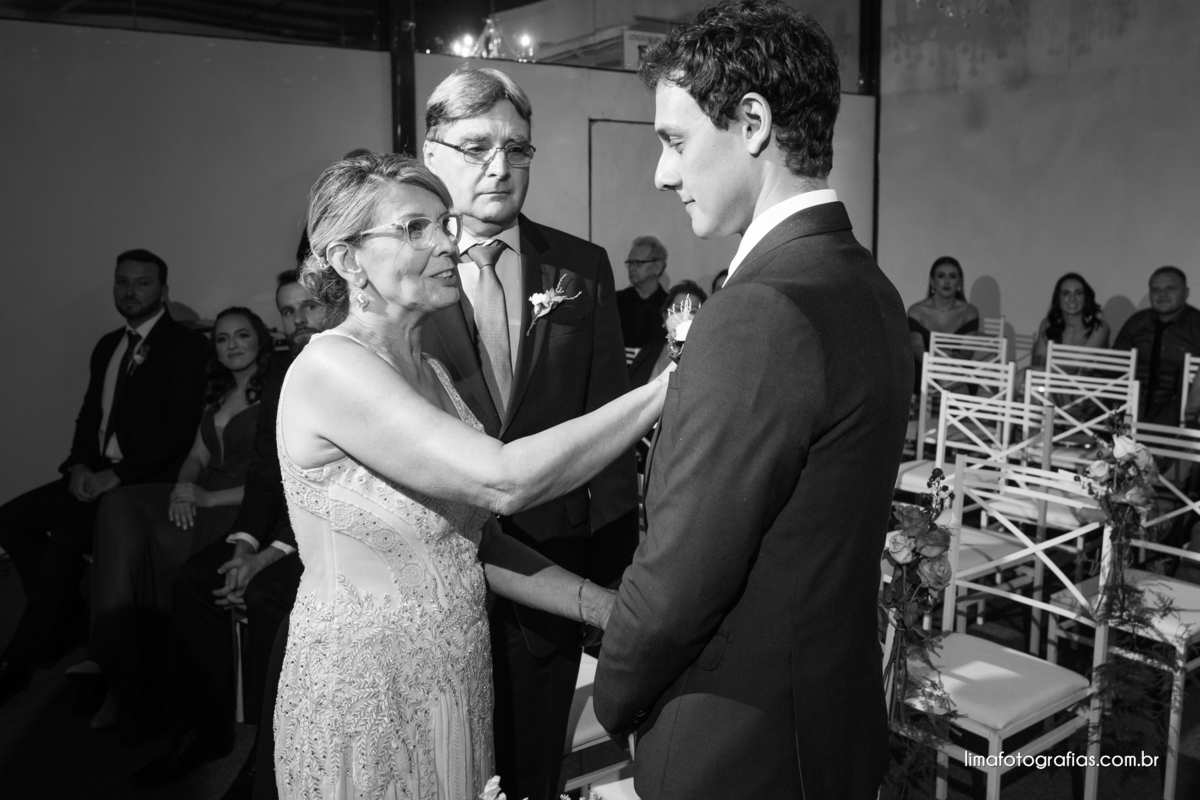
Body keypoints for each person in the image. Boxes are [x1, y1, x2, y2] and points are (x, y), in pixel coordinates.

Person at [270, 153, 667, 799]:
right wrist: (664, 391)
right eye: (415, 228)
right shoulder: (330, 368)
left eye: (445, 225)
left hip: (454, 674)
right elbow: (503, 481)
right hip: (372, 688)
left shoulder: (435, 375)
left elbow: (472, 541)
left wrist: (607, 607)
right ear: (347, 260)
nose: (447, 244)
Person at [592, 4, 912, 799]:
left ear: (753, 123)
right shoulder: (866, 284)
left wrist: (613, 697)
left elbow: (680, 578)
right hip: (826, 727)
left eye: (674, 140)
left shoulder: (760, 310)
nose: (662, 174)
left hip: (738, 744)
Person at [420, 66, 639, 800]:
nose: (500, 167)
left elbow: (608, 430)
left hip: (555, 559)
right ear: (430, 154)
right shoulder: (406, 276)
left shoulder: (581, 269)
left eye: (517, 149)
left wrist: (606, 575)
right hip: (441, 569)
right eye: (477, 145)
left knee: (534, 771)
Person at [132, 271, 328, 793]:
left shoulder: (352, 365)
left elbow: (331, 483)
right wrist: (244, 543)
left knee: (264, 594)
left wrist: (265, 557)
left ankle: (272, 754)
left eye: (308, 306)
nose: (299, 319)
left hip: (333, 529)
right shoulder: (286, 370)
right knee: (196, 580)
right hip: (278, 522)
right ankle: (204, 729)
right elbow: (265, 473)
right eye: (288, 311)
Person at [0, 250, 208, 707]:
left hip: (139, 482)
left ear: (164, 291)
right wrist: (77, 465)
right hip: (93, 473)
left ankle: (21, 658)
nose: (129, 291)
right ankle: (69, 616)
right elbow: (89, 416)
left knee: (67, 540)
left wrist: (116, 476)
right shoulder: (107, 345)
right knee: (11, 520)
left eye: (142, 283)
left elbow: (178, 431)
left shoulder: (186, 346)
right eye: (122, 282)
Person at [84, 306, 274, 734]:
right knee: (119, 505)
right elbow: (194, 456)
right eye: (222, 339)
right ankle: (116, 661)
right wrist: (183, 488)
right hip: (201, 493)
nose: (232, 346)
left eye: (242, 335)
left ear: (260, 340)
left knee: (152, 551)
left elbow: (274, 481)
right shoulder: (216, 392)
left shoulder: (275, 394)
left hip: (239, 505)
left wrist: (206, 496)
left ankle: (127, 680)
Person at [1114, 266, 1200, 425]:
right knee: (1100, 429)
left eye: (1170, 289)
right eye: (1155, 290)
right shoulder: (1136, 323)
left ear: (1186, 293)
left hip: (1178, 408)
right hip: (1131, 401)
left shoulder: (1196, 326)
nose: (1162, 295)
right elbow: (1115, 365)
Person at [628, 280, 708, 389]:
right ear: (665, 316)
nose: (685, 317)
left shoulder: (706, 360)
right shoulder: (648, 352)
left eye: (693, 311)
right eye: (678, 309)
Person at [906, 255, 980, 361]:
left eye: (952, 276)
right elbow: (916, 348)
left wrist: (948, 367)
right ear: (932, 281)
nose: (946, 282)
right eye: (941, 276)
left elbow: (967, 352)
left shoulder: (970, 312)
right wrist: (934, 364)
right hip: (923, 371)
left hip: (957, 372)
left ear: (960, 282)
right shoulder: (916, 311)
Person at [1031, 273, 1110, 368]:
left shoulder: (1099, 327)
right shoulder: (1048, 324)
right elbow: (1039, 362)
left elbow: (1076, 366)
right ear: (1058, 299)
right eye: (1066, 293)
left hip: (1086, 381)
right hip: (1049, 379)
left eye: (1078, 293)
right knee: (1021, 377)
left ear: (1085, 298)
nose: (1072, 298)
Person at [616, 236, 669, 363]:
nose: (632, 268)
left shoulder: (669, 306)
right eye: (629, 263)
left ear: (658, 267)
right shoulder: (616, 301)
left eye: (638, 263)